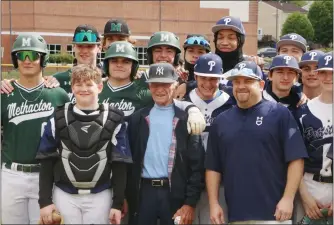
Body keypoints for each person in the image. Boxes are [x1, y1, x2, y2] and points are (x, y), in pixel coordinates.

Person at [206, 60, 308, 224]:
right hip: (236, 214)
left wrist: (288, 198)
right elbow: (213, 167)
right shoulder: (221, 120)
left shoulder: (279, 114)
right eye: (237, 82)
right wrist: (213, 203)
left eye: (247, 81)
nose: (241, 86)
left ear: (261, 84)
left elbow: (296, 159)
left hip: (275, 214)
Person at [36, 64, 131, 224]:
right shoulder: (58, 118)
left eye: (89, 84)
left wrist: (117, 203)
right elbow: (46, 162)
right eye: (78, 84)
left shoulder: (114, 119)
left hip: (100, 194)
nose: (83, 89)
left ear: (100, 87)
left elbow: (120, 164)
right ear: (72, 88)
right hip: (65, 194)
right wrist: (45, 201)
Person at [1, 34, 69, 224]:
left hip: (46, 176)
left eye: (33, 54)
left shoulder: (58, 95)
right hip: (11, 174)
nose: (28, 60)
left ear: (43, 58)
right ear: (15, 59)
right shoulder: (5, 94)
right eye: (22, 55)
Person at [126, 63, 205, 225]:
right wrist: (125, 196)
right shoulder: (138, 119)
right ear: (149, 86)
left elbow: (197, 165)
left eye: (165, 84)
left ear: (175, 85)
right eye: (155, 84)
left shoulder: (186, 119)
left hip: (174, 192)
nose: (160, 89)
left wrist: (190, 202)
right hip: (144, 192)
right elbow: (129, 162)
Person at [185, 53, 234, 224]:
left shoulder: (231, 102)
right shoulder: (183, 99)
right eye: (203, 77)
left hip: (219, 181)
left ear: (220, 78)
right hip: (187, 180)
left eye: (213, 79)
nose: (207, 83)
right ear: (195, 76)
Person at [295, 52, 333, 223]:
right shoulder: (303, 111)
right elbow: (295, 158)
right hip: (310, 185)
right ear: (318, 75)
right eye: (324, 72)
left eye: (333, 72)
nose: (328, 77)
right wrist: (305, 196)